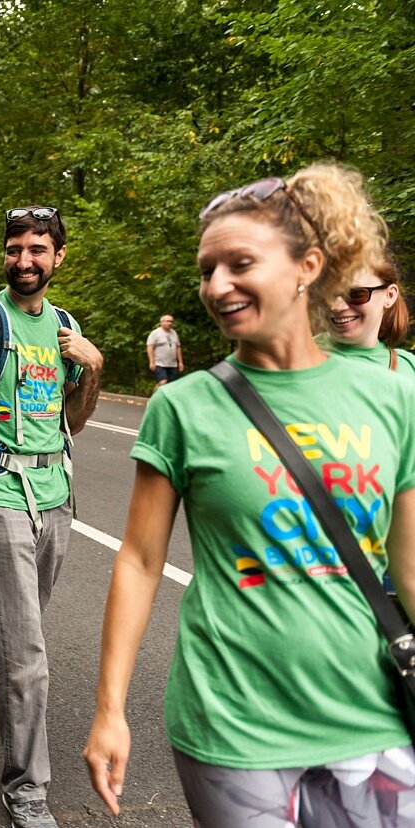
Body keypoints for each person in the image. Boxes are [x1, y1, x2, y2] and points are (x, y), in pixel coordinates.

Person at [84, 164, 415, 823]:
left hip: (374, 715)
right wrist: (109, 711)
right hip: (234, 724)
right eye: (208, 270)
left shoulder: (393, 395)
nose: (217, 285)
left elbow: (406, 564)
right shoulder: (184, 407)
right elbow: (142, 561)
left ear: (308, 266)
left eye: (239, 263)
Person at [0, 205, 103, 828]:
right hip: (0, 491)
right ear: (5, 255)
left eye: (38, 249)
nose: (25, 260)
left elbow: (75, 422)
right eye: (15, 249)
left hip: (56, 488)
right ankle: (27, 785)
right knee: (30, 648)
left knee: (24, 611)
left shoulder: (64, 325)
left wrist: (93, 366)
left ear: (58, 256)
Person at [325, 257, 413, 371]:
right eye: (326, 295)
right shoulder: (296, 356)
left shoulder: (409, 369)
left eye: (356, 294)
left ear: (389, 295)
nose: (336, 307)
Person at [145, 314, 181, 386]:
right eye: (167, 321)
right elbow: (150, 347)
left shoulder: (174, 333)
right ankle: (155, 396)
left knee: (171, 385)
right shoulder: (155, 333)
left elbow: (178, 347)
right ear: (162, 322)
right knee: (163, 381)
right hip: (159, 363)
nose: (170, 323)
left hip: (172, 364)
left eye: (171, 321)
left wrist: (180, 362)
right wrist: (152, 361)